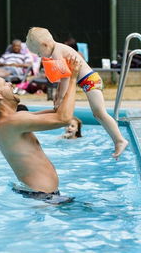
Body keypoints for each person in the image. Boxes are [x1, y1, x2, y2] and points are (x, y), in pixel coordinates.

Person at [0, 57, 81, 200]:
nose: (10, 84)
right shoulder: (11, 122)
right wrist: (74, 78)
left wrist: (64, 77)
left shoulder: (15, 118)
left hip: (42, 196)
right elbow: (64, 119)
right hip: (41, 198)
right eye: (4, 83)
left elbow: (58, 111)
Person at [26, 27, 128, 159]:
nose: (41, 56)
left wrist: (61, 98)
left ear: (45, 45)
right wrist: (58, 95)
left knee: (100, 113)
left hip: (90, 80)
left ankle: (120, 140)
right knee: (98, 115)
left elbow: (65, 78)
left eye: (39, 53)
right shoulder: (58, 49)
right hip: (88, 81)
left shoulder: (57, 53)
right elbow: (62, 79)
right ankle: (118, 140)